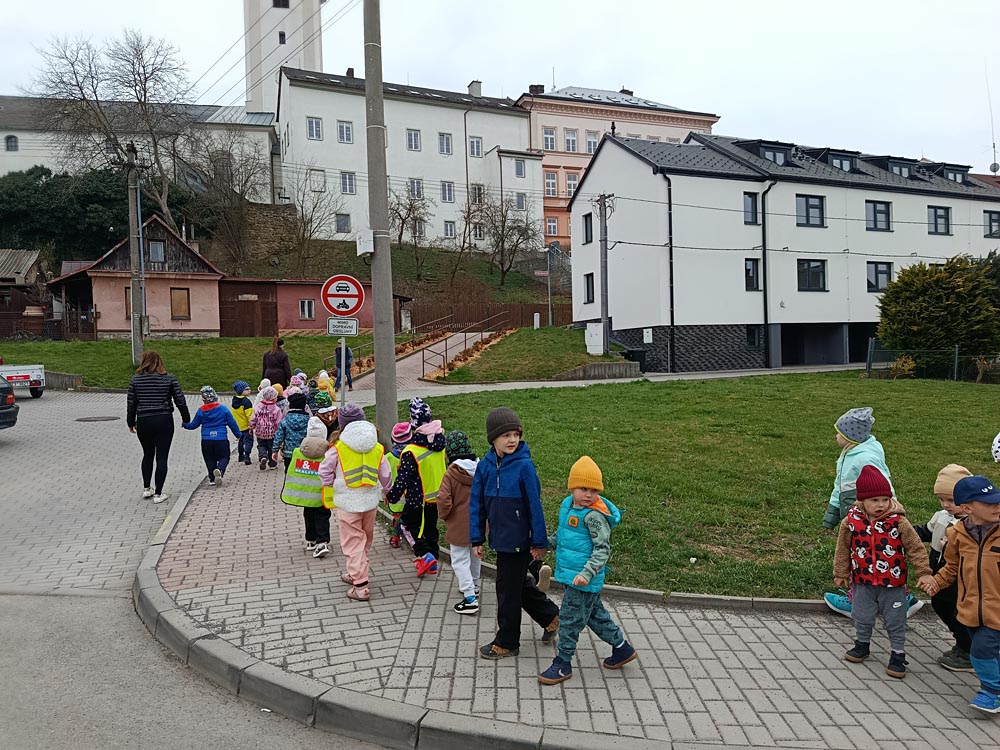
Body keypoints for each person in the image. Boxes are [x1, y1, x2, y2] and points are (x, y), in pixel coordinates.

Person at [538, 456, 638, 685]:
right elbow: (564, 535)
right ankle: (622, 648)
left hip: (582, 579)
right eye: (583, 489)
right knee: (595, 615)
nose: (589, 495)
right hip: (572, 575)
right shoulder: (568, 506)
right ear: (572, 487)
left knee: (569, 620)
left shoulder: (594, 516)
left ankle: (562, 663)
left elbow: (602, 550)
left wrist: (587, 573)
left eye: (594, 490)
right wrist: (546, 543)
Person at [471, 407, 560, 659]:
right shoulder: (485, 467)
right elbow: (477, 504)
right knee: (516, 585)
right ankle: (551, 616)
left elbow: (535, 507)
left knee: (507, 591)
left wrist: (539, 542)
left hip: (520, 540)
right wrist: (476, 537)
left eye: (516, 435)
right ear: (493, 439)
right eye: (506, 435)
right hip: (500, 539)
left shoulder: (524, 467)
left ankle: (507, 641)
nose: (512, 440)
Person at [833, 465, 934, 679]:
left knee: (895, 619)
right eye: (874, 500)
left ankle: (898, 654)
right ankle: (862, 644)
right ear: (862, 500)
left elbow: (915, 547)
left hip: (892, 582)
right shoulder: (851, 522)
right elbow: (842, 548)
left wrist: (923, 572)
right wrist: (840, 572)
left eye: (885, 499)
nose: (880, 504)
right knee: (862, 615)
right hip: (862, 580)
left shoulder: (898, 521)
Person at [823, 407, 921, 619]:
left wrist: (889, 512)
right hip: (856, 516)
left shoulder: (865, 458)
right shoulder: (848, 454)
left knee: (874, 557)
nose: (836, 436)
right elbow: (840, 486)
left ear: (851, 436)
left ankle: (877, 602)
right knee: (860, 557)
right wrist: (832, 512)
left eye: (839, 432)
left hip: (873, 520)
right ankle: (884, 600)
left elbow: (884, 487)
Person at [927, 475, 1000, 713]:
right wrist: (937, 582)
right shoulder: (957, 534)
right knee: (989, 650)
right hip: (970, 607)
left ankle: (992, 692)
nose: (996, 506)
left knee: (981, 650)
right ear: (967, 508)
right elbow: (952, 566)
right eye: (988, 503)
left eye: (998, 501)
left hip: (997, 609)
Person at [319, 404, 391, 601]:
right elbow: (385, 474)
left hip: (347, 502)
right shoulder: (376, 446)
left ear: (342, 425)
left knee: (352, 542)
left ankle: (360, 585)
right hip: (370, 502)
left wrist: (329, 484)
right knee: (365, 539)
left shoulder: (338, 448)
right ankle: (357, 571)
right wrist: (387, 490)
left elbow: (324, 470)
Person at [913, 464, 973, 672]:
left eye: (951, 500)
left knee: (959, 612)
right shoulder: (941, 516)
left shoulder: (973, 524)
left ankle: (969, 650)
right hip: (938, 571)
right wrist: (907, 532)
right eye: (941, 499)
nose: (946, 505)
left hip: (959, 576)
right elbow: (926, 532)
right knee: (940, 604)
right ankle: (962, 642)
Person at [386, 398, 447, 575]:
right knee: (430, 529)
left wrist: (392, 496)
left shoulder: (411, 451)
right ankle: (432, 563)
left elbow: (402, 479)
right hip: (436, 496)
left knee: (408, 526)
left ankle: (425, 556)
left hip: (417, 499)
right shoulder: (439, 443)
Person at [126, 350, 190, 504]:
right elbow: (180, 400)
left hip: (143, 420)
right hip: (164, 420)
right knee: (162, 457)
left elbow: (131, 403)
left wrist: (130, 422)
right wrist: (186, 418)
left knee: (147, 454)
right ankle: (159, 493)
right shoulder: (169, 378)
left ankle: (147, 488)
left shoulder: (135, 380)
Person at [437, 430, 481, 615]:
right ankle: (474, 584)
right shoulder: (481, 468)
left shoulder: (451, 473)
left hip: (458, 524)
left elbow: (444, 499)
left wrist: (444, 515)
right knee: (475, 554)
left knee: (459, 560)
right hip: (479, 522)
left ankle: (470, 597)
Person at [280, 417, 332, 558]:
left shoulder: (298, 452)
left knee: (308, 515)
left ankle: (311, 540)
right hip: (321, 493)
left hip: (305, 494)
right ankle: (322, 542)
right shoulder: (328, 453)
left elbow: (291, 471)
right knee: (322, 516)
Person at [182, 386, 242, 487]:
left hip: (206, 440)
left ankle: (212, 478)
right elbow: (232, 423)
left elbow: (194, 425)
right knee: (224, 456)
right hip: (221, 439)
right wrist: (238, 435)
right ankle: (220, 470)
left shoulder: (201, 411)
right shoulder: (223, 409)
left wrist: (185, 424)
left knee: (209, 459)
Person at [386, 422, 412, 549]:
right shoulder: (412, 455)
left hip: (395, 495)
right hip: (412, 495)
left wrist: (384, 494)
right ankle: (412, 538)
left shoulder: (388, 457)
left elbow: (384, 477)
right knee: (411, 518)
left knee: (397, 517)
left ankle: (396, 538)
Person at [273, 391, 311, 470]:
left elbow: (279, 436)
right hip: (304, 452)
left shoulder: (285, 420)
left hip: (288, 453)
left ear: (290, 405)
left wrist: (275, 450)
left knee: (288, 471)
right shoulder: (308, 420)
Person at [248, 386, 281, 470]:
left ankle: (263, 456)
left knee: (261, 445)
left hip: (260, 431)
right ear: (273, 398)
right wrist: (279, 431)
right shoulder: (276, 409)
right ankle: (272, 463)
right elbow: (278, 422)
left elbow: (253, 418)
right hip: (272, 432)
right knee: (271, 448)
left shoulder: (258, 407)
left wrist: (251, 427)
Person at [231, 380, 254, 465]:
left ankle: (240, 456)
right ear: (241, 391)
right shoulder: (246, 402)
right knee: (248, 442)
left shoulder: (234, 401)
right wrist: (252, 425)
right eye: (247, 389)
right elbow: (249, 415)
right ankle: (247, 456)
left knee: (240, 442)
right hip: (246, 426)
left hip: (238, 426)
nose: (249, 390)